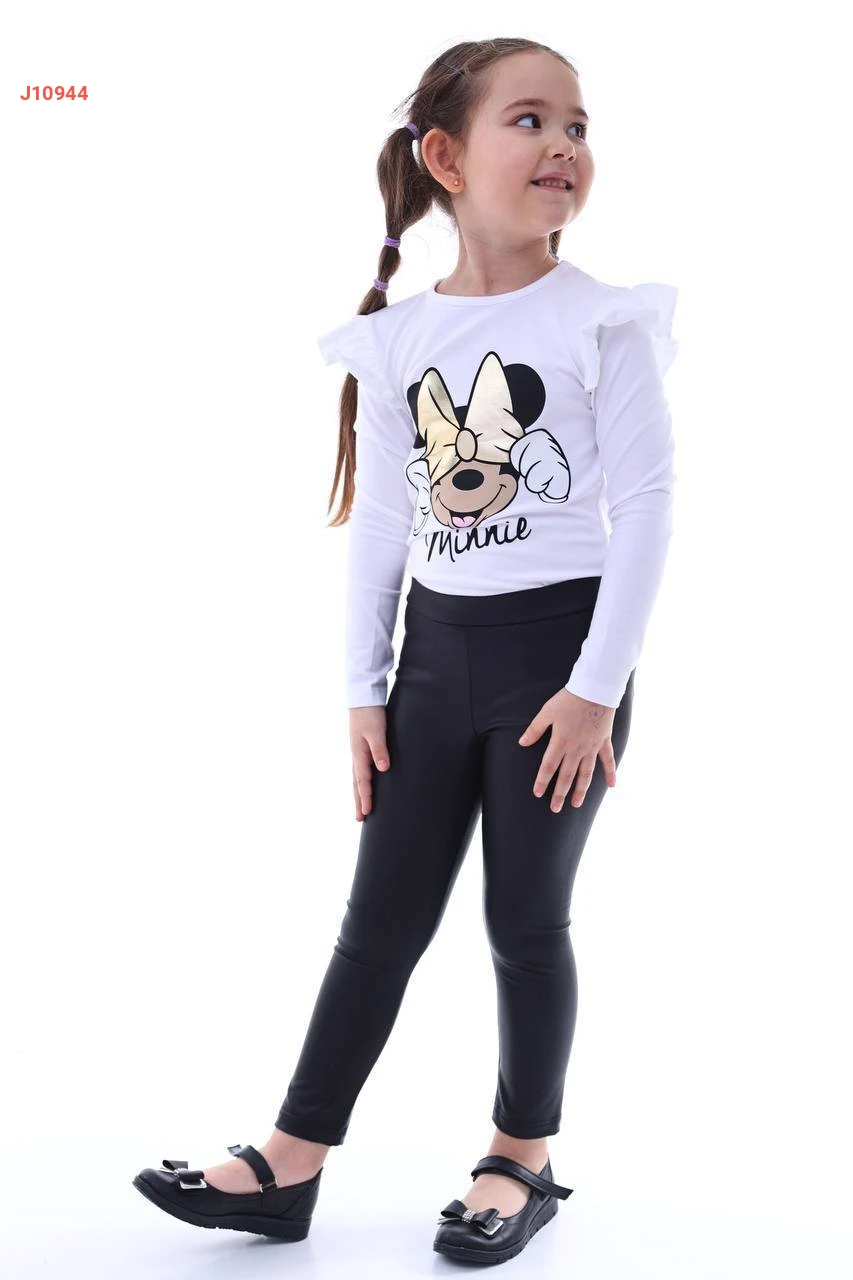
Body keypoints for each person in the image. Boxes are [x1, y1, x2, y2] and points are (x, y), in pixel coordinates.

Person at [133, 36, 679, 1264]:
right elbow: (382, 522)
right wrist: (361, 691)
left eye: (578, 124)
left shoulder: (606, 320)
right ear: (444, 156)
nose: (564, 144)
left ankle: (519, 1156)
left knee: (523, 919)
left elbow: (645, 507)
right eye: (530, 120)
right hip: (430, 661)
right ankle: (290, 1158)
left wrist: (594, 688)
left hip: (559, 664)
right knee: (376, 919)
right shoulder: (395, 339)